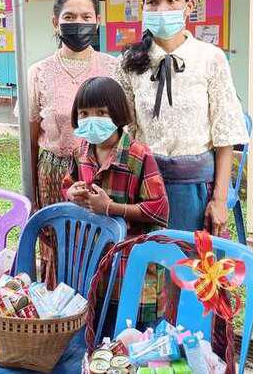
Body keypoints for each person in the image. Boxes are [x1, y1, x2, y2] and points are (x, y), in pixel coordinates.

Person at [115, 0, 248, 236]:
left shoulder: (210, 58)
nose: (162, 8)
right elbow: (121, 130)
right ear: (143, 8)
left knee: (191, 259)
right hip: (143, 187)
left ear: (189, 6)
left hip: (195, 189)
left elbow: (224, 135)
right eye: (153, 2)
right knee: (147, 258)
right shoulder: (128, 62)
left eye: (171, 0)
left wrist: (219, 199)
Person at [62, 77, 168, 329]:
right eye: (84, 113)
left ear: (118, 114)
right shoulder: (81, 152)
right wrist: (71, 193)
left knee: (134, 333)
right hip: (94, 261)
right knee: (99, 327)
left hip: (132, 265)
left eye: (101, 113)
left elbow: (159, 210)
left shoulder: (139, 156)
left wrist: (110, 208)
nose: (92, 119)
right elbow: (67, 184)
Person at [27, 0, 117, 284]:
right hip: (53, 172)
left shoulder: (113, 67)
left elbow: (123, 126)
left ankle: (94, 308)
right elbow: (31, 136)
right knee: (57, 246)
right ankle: (56, 305)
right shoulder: (39, 72)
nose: (78, 23)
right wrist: (31, 191)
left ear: (98, 21)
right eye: (69, 17)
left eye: (86, 17)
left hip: (101, 173)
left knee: (97, 247)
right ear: (56, 22)